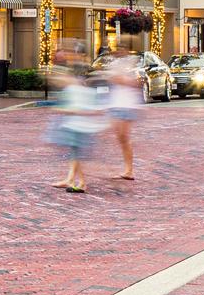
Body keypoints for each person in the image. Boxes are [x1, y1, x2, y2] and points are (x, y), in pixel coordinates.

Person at [47, 62, 104, 194]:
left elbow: (78, 109)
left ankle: (82, 182)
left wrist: (65, 110)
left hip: (77, 127)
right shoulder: (87, 91)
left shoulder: (74, 90)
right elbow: (96, 110)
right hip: (79, 126)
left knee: (75, 154)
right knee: (74, 153)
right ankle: (71, 179)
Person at [104, 44, 144, 182]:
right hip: (115, 103)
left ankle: (129, 170)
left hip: (127, 105)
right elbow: (112, 79)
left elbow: (135, 82)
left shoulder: (133, 64)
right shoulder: (114, 64)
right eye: (118, 48)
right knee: (120, 137)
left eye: (122, 48)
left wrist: (124, 80)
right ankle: (126, 168)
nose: (120, 51)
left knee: (125, 137)